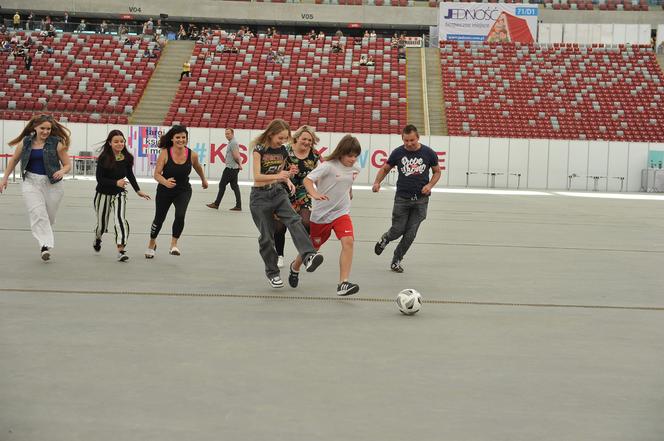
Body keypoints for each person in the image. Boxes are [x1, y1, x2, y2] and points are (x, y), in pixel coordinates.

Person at [249, 119, 323, 288]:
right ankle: (273, 273)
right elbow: (257, 177)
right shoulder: (259, 150)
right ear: (271, 133)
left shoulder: (283, 151)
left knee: (295, 220)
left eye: (285, 138)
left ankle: (308, 255)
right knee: (267, 237)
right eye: (280, 138)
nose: (282, 142)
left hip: (278, 192)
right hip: (259, 197)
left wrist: (288, 178)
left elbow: (280, 172)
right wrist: (280, 176)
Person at [289, 135, 361, 296]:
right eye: (350, 155)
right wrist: (314, 194)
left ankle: (343, 283)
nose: (353, 159)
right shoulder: (327, 166)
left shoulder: (356, 169)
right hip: (321, 216)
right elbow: (308, 180)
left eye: (356, 156)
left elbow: (346, 182)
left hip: (341, 213)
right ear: (341, 153)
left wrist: (349, 192)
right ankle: (295, 267)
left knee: (348, 242)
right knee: (312, 248)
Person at [0, 114, 71, 261]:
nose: (45, 132)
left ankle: (45, 239)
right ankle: (45, 245)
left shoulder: (57, 143)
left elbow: (67, 164)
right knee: (38, 213)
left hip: (53, 184)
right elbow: (14, 160)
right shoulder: (25, 142)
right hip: (31, 182)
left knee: (49, 217)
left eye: (48, 129)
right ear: (35, 127)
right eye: (42, 128)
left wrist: (62, 171)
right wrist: (4, 178)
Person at [372, 124, 441, 273]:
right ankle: (386, 238)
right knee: (397, 230)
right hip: (402, 199)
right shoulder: (398, 153)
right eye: (406, 141)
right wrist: (377, 182)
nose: (409, 144)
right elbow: (385, 168)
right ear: (402, 138)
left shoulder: (429, 153)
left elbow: (437, 172)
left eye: (412, 140)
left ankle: (396, 260)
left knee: (410, 235)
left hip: (421, 200)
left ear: (418, 138)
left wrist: (430, 185)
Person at [145, 125, 208, 258]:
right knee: (159, 219)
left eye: (183, 137)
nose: (181, 140)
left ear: (187, 139)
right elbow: (156, 174)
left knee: (180, 215)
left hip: (183, 190)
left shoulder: (192, 154)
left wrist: (204, 180)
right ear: (172, 139)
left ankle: (174, 244)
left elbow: (198, 167)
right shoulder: (165, 153)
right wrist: (166, 182)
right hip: (164, 190)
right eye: (178, 137)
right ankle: (152, 243)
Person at [93, 130, 150, 262]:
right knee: (102, 225)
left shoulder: (127, 158)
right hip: (103, 193)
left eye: (122, 141)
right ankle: (98, 238)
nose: (120, 144)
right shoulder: (103, 158)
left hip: (119, 194)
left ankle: (121, 250)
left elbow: (130, 175)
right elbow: (99, 179)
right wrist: (115, 182)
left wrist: (138, 190)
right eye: (116, 141)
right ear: (110, 143)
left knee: (120, 219)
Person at [273, 125, 320, 268]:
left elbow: (318, 175)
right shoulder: (285, 151)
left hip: (302, 192)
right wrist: (287, 172)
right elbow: (275, 171)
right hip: (282, 191)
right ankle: (279, 255)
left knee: (306, 223)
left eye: (310, 141)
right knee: (279, 227)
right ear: (297, 138)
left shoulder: (314, 155)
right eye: (304, 139)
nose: (307, 143)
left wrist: (322, 192)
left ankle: (304, 255)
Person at [207, 128, 242, 211]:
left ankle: (216, 204)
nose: (227, 135)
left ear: (232, 133)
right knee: (234, 186)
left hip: (230, 168)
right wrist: (239, 165)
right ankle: (238, 205)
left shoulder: (233, 143)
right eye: (226, 134)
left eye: (228, 133)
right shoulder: (232, 142)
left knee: (222, 185)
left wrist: (239, 164)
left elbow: (236, 156)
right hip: (234, 168)